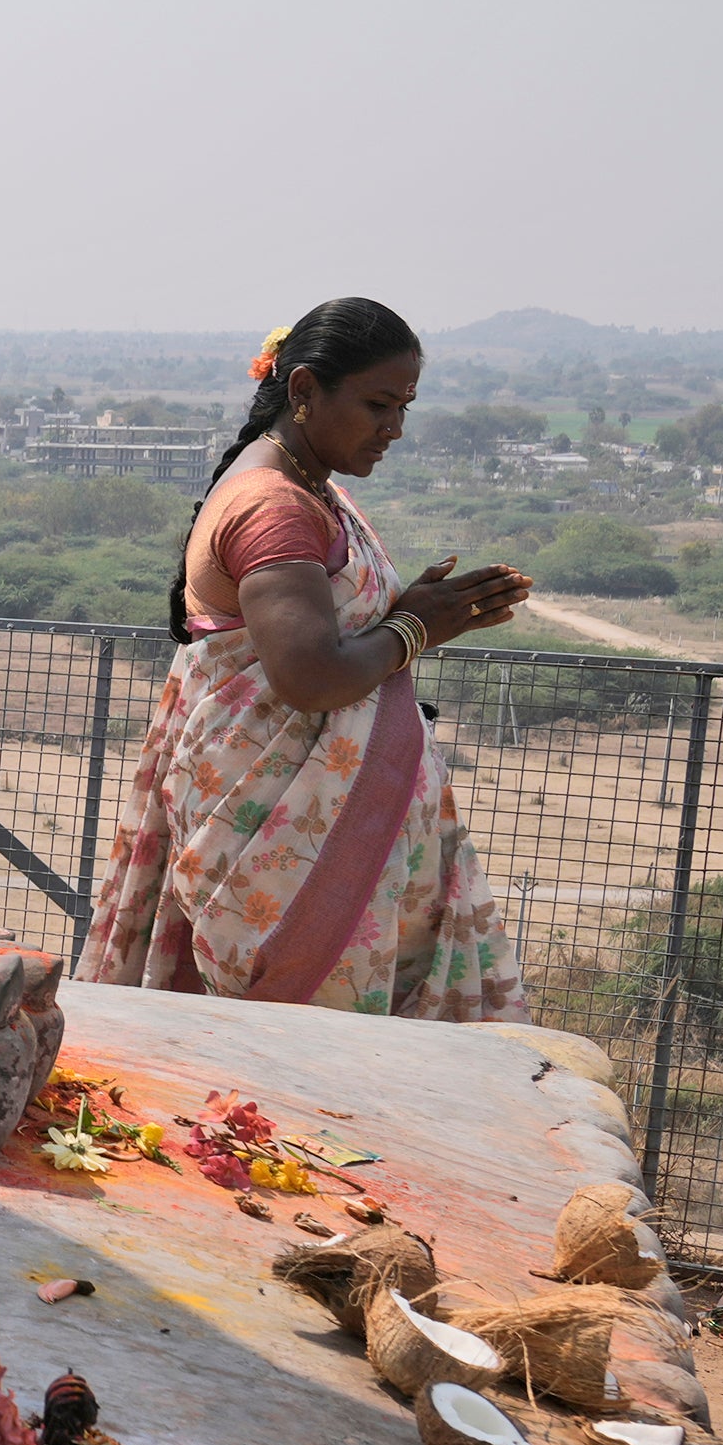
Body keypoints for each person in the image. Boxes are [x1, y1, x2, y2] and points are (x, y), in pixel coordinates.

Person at [73, 296, 531, 1017]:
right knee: (298, 1042)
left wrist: (418, 613)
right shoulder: (275, 506)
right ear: (305, 389)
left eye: (405, 407)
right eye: (378, 404)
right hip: (278, 845)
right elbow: (311, 676)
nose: (394, 428)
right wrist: (416, 626)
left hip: (309, 824)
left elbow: (335, 637)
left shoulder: (310, 489)